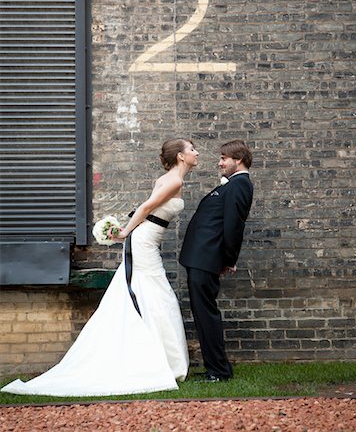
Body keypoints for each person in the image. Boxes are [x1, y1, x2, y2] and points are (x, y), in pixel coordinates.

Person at [2, 138, 199, 397]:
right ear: (181, 157)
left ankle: (156, 357)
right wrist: (126, 231)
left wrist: (129, 230)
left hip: (147, 239)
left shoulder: (167, 179)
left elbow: (151, 211)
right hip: (143, 241)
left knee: (148, 291)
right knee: (157, 294)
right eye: (192, 149)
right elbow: (147, 207)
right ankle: (163, 362)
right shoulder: (174, 181)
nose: (196, 152)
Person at [179, 139, 253, 382]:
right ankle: (216, 367)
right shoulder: (232, 185)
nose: (220, 163)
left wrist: (228, 260)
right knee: (202, 313)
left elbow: (234, 226)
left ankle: (219, 371)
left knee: (206, 313)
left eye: (224, 158)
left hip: (206, 258)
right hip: (202, 257)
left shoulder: (240, 185)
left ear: (238, 160)